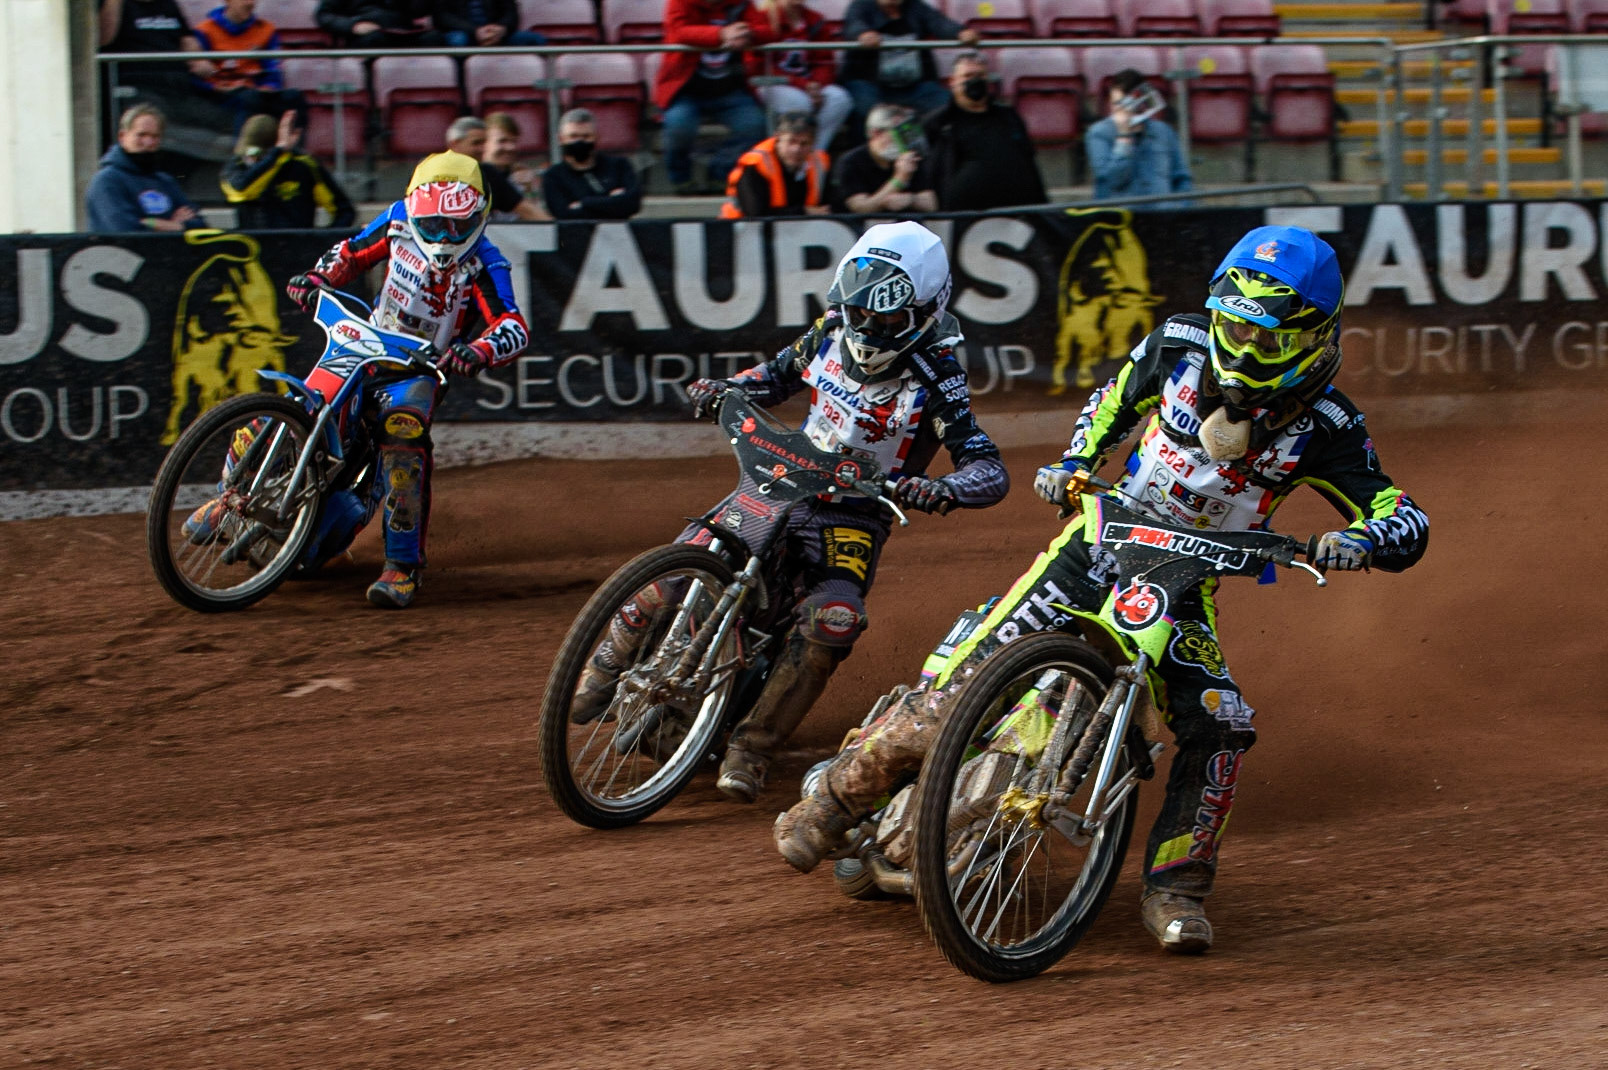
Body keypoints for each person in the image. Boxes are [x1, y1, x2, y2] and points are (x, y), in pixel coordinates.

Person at [774, 225, 1430, 955]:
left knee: (1222, 725)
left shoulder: (1329, 426)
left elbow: (1399, 512)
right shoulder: (1179, 342)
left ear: (1314, 338)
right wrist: (1076, 460)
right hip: (1096, 541)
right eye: (1235, 328)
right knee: (967, 681)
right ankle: (835, 801)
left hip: (1183, 583)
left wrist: (1365, 540)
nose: (1244, 352)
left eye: (1268, 340)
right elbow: (1111, 402)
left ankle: (1176, 888)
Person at [573, 221, 1010, 804]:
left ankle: (752, 747)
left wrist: (944, 488)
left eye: (886, 320)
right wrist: (726, 388)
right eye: (858, 313)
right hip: (779, 479)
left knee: (834, 618)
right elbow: (774, 377)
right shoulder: (829, 331)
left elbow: (987, 464)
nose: (867, 328)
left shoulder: (939, 375)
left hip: (854, 513)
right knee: (680, 564)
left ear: (927, 310)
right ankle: (601, 667)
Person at [279, 150, 530, 608]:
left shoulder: (486, 264)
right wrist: (317, 276)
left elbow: (513, 325)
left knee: (403, 435)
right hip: (365, 343)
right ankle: (227, 497)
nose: (443, 235)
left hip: (419, 370)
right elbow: (352, 253)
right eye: (432, 224)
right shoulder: (397, 222)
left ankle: (402, 566)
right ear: (415, 210)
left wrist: (479, 350)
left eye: (455, 225)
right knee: (298, 405)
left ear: (479, 217)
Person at [654, 0, 770, 195]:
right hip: (685, 90)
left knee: (755, 125)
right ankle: (681, 180)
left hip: (730, 90)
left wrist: (746, 33)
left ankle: (720, 173)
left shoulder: (741, 4)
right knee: (679, 126)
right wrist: (721, 34)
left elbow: (768, 31)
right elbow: (678, 32)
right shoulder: (679, 2)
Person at [922, 51, 1047, 211]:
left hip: (1018, 214)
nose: (975, 80)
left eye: (980, 75)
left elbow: (1028, 160)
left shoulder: (1008, 116)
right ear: (953, 82)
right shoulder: (938, 123)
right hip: (961, 217)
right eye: (968, 76)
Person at [839, 0, 980, 134]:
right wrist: (862, 34)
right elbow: (853, 24)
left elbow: (939, 23)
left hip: (915, 86)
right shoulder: (860, 5)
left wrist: (961, 32)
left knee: (949, 106)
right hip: (869, 84)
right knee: (865, 110)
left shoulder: (916, 6)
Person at [744, 0, 854, 153]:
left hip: (808, 83)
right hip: (772, 82)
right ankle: (792, 153)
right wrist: (803, 84)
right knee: (800, 103)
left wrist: (817, 84)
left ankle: (813, 154)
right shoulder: (762, 18)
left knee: (839, 98)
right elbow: (757, 67)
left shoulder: (814, 19)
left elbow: (824, 61)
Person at [221, 112, 356, 229]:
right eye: (249, 155)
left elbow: (344, 211)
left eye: (259, 155)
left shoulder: (304, 166)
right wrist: (277, 153)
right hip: (253, 251)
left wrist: (321, 242)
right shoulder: (236, 166)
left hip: (296, 249)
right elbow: (241, 192)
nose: (252, 159)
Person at [87, 104, 207, 233]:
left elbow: (200, 225)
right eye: (141, 135)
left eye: (154, 136)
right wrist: (174, 225)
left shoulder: (165, 181)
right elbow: (125, 230)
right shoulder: (107, 181)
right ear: (122, 137)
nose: (148, 142)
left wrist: (155, 223)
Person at [190, 0, 308, 131]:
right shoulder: (204, 31)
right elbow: (194, 76)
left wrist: (268, 87)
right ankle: (241, 149)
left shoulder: (265, 29)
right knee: (249, 99)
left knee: (293, 97)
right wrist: (215, 88)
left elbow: (273, 70)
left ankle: (294, 149)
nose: (250, 3)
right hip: (220, 94)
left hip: (256, 91)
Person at [1086, 69, 1192, 204]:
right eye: (1116, 104)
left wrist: (1181, 209)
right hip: (1122, 219)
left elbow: (1182, 178)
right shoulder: (1098, 134)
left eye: (1127, 105)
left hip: (1163, 216)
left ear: (1142, 103)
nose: (1121, 110)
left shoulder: (1164, 132)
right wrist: (1124, 136)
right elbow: (1111, 181)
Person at [829, 103, 937, 214]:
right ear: (875, 133)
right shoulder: (850, 162)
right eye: (898, 133)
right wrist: (900, 179)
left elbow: (931, 204)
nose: (903, 140)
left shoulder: (911, 158)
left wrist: (911, 199)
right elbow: (861, 207)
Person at [720, 112, 830, 218]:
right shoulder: (755, 163)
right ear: (778, 139)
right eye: (791, 142)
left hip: (800, 231)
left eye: (804, 143)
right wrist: (803, 211)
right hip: (742, 231)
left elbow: (828, 204)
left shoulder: (819, 163)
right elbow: (755, 214)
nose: (796, 149)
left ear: (813, 143)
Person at [541, 109, 643, 221]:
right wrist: (611, 201)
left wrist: (584, 203)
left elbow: (632, 204)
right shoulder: (553, 176)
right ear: (561, 139)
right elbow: (564, 214)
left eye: (586, 136)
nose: (580, 141)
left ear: (596, 137)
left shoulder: (619, 166)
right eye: (573, 136)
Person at [446, 116, 548, 220]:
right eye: (476, 143)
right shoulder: (437, 175)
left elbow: (528, 211)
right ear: (455, 144)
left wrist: (558, 231)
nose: (482, 149)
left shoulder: (488, 174)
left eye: (484, 143)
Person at [428, 0, 547, 47]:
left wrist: (501, 29)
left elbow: (511, 13)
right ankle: (463, 93)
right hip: (464, 33)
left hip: (496, 34)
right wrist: (475, 31)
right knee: (457, 41)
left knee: (536, 39)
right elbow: (442, 17)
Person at [315, 0, 428, 48]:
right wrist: (353, 26)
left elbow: (419, 10)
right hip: (367, 36)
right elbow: (324, 15)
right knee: (375, 40)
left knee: (432, 38)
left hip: (403, 31)